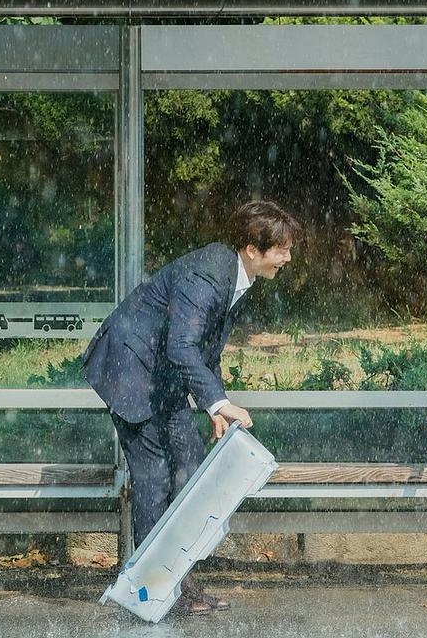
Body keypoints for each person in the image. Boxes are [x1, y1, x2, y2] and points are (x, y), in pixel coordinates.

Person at [82, 200, 300, 615]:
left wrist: (213, 406)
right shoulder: (209, 275)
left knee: (190, 468)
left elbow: (203, 348)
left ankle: (178, 580)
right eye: (281, 250)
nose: (287, 258)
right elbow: (182, 346)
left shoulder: (233, 274)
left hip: (160, 373)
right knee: (154, 478)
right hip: (131, 370)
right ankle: (150, 591)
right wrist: (219, 401)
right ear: (252, 249)